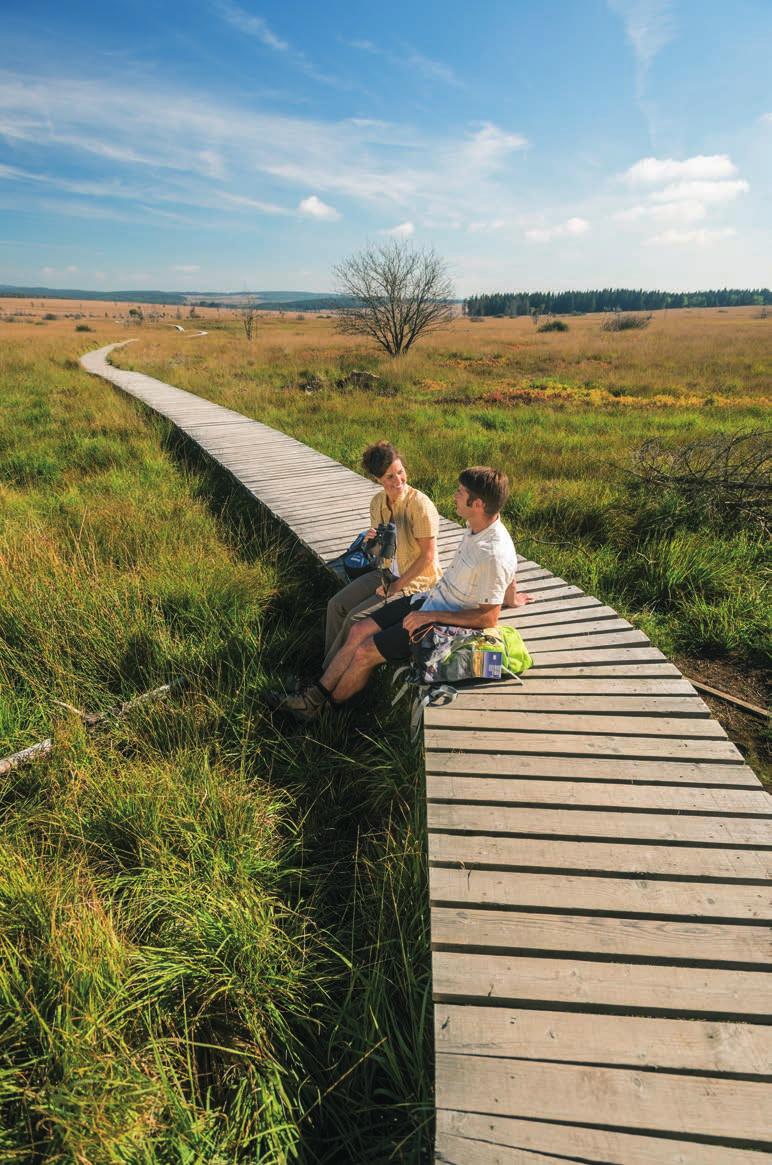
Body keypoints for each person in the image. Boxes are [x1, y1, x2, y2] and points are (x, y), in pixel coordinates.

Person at [273, 466, 523, 723]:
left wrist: (430, 617)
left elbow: (489, 618)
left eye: (460, 492)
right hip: (427, 600)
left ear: (478, 503)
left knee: (364, 653)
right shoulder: (477, 526)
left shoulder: (494, 552)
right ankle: (314, 696)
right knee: (358, 630)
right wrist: (511, 596)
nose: (454, 496)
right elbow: (507, 572)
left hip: (439, 623)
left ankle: (324, 711)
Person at [323, 441, 442, 670]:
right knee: (335, 605)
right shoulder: (378, 503)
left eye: (400, 472)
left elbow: (427, 557)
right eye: (389, 477)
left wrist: (396, 588)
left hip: (415, 583)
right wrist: (371, 544)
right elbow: (381, 553)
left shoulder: (419, 505)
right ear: (378, 479)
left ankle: (325, 678)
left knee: (355, 619)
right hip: (385, 573)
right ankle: (328, 666)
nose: (398, 481)